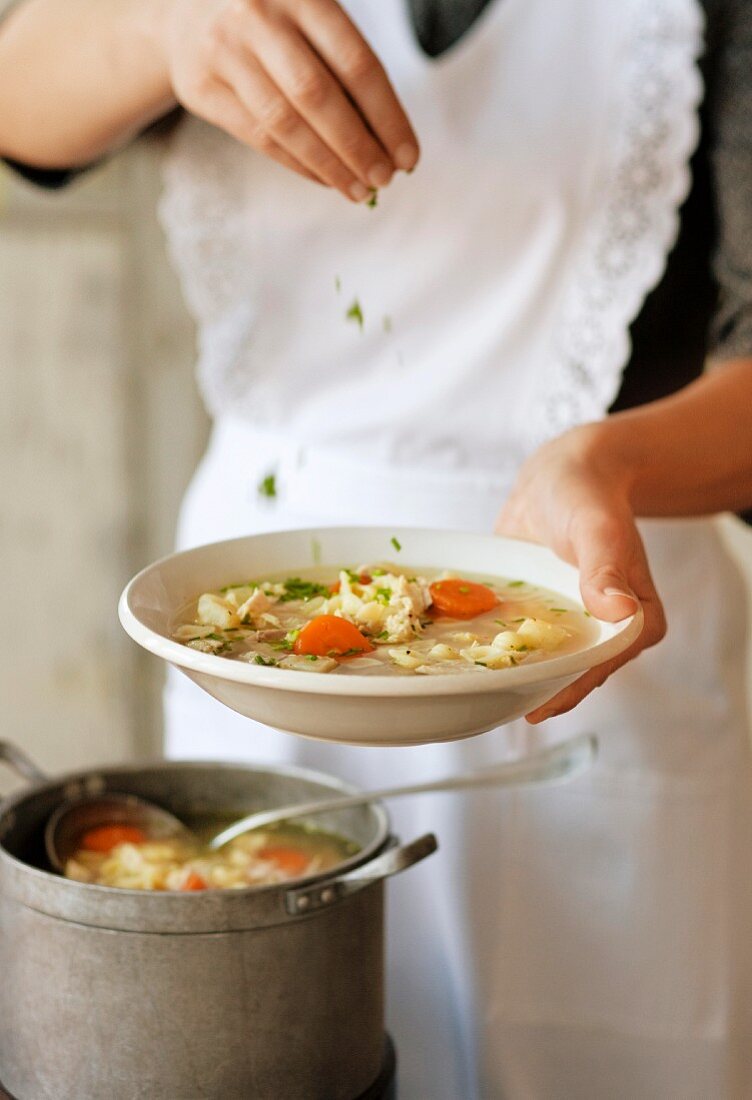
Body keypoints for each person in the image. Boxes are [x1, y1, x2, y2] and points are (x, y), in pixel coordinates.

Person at [2, 1, 752, 1096]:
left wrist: (604, 464)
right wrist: (155, 28)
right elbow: (18, 101)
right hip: (250, 635)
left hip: (597, 614)